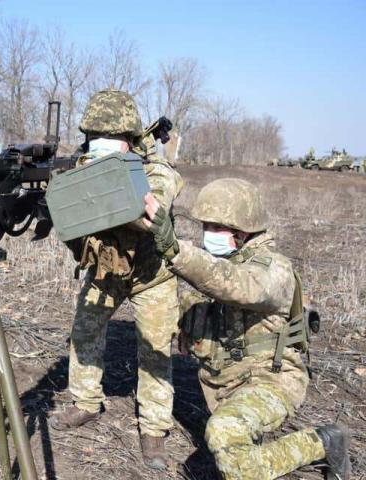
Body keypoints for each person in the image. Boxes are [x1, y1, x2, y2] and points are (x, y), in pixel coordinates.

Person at [144, 178, 351, 480]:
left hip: (270, 380)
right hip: (225, 382)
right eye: (206, 226)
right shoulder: (222, 259)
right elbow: (202, 292)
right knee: (230, 442)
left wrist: (176, 250)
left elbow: (236, 285)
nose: (208, 234)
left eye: (217, 228)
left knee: (224, 434)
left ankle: (323, 442)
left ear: (242, 232)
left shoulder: (274, 269)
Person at [49, 90, 184, 470]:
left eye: (110, 139)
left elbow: (150, 213)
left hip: (151, 276)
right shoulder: (83, 167)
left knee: (155, 349)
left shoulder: (156, 171)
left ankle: (154, 429)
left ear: (131, 139)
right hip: (106, 272)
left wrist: (101, 186)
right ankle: (86, 402)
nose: (101, 145)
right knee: (84, 332)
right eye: (95, 138)